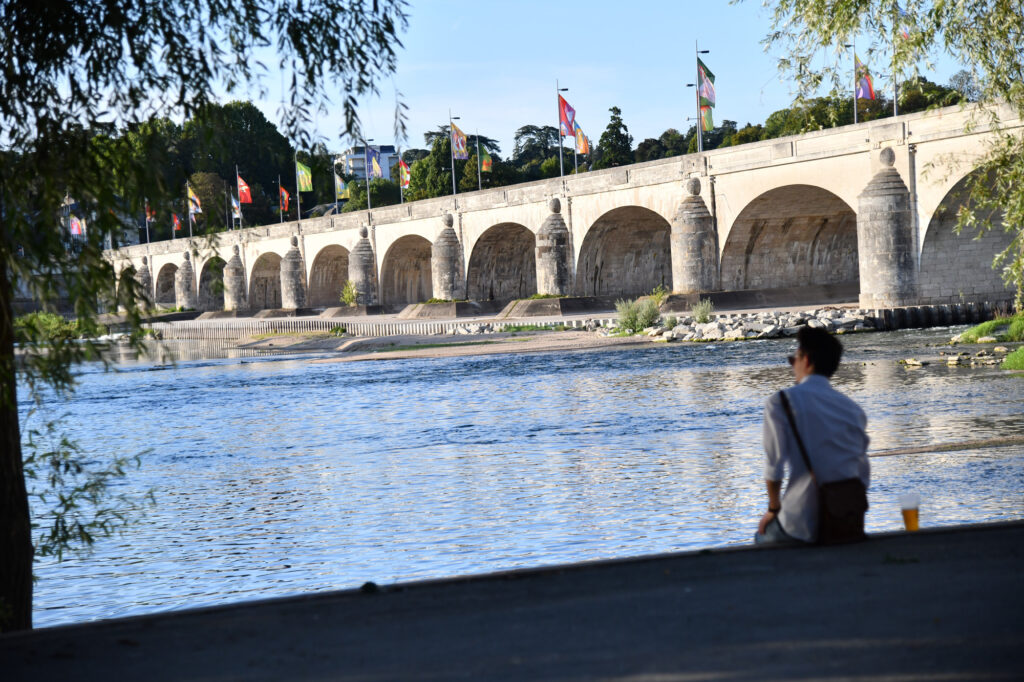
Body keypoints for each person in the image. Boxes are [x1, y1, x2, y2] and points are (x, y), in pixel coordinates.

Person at [755, 326, 870, 545]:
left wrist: (772, 509)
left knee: (761, 536)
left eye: (793, 359)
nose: (792, 366)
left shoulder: (781, 402)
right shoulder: (853, 409)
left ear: (805, 360)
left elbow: (774, 467)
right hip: (845, 520)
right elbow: (862, 474)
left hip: (799, 523)